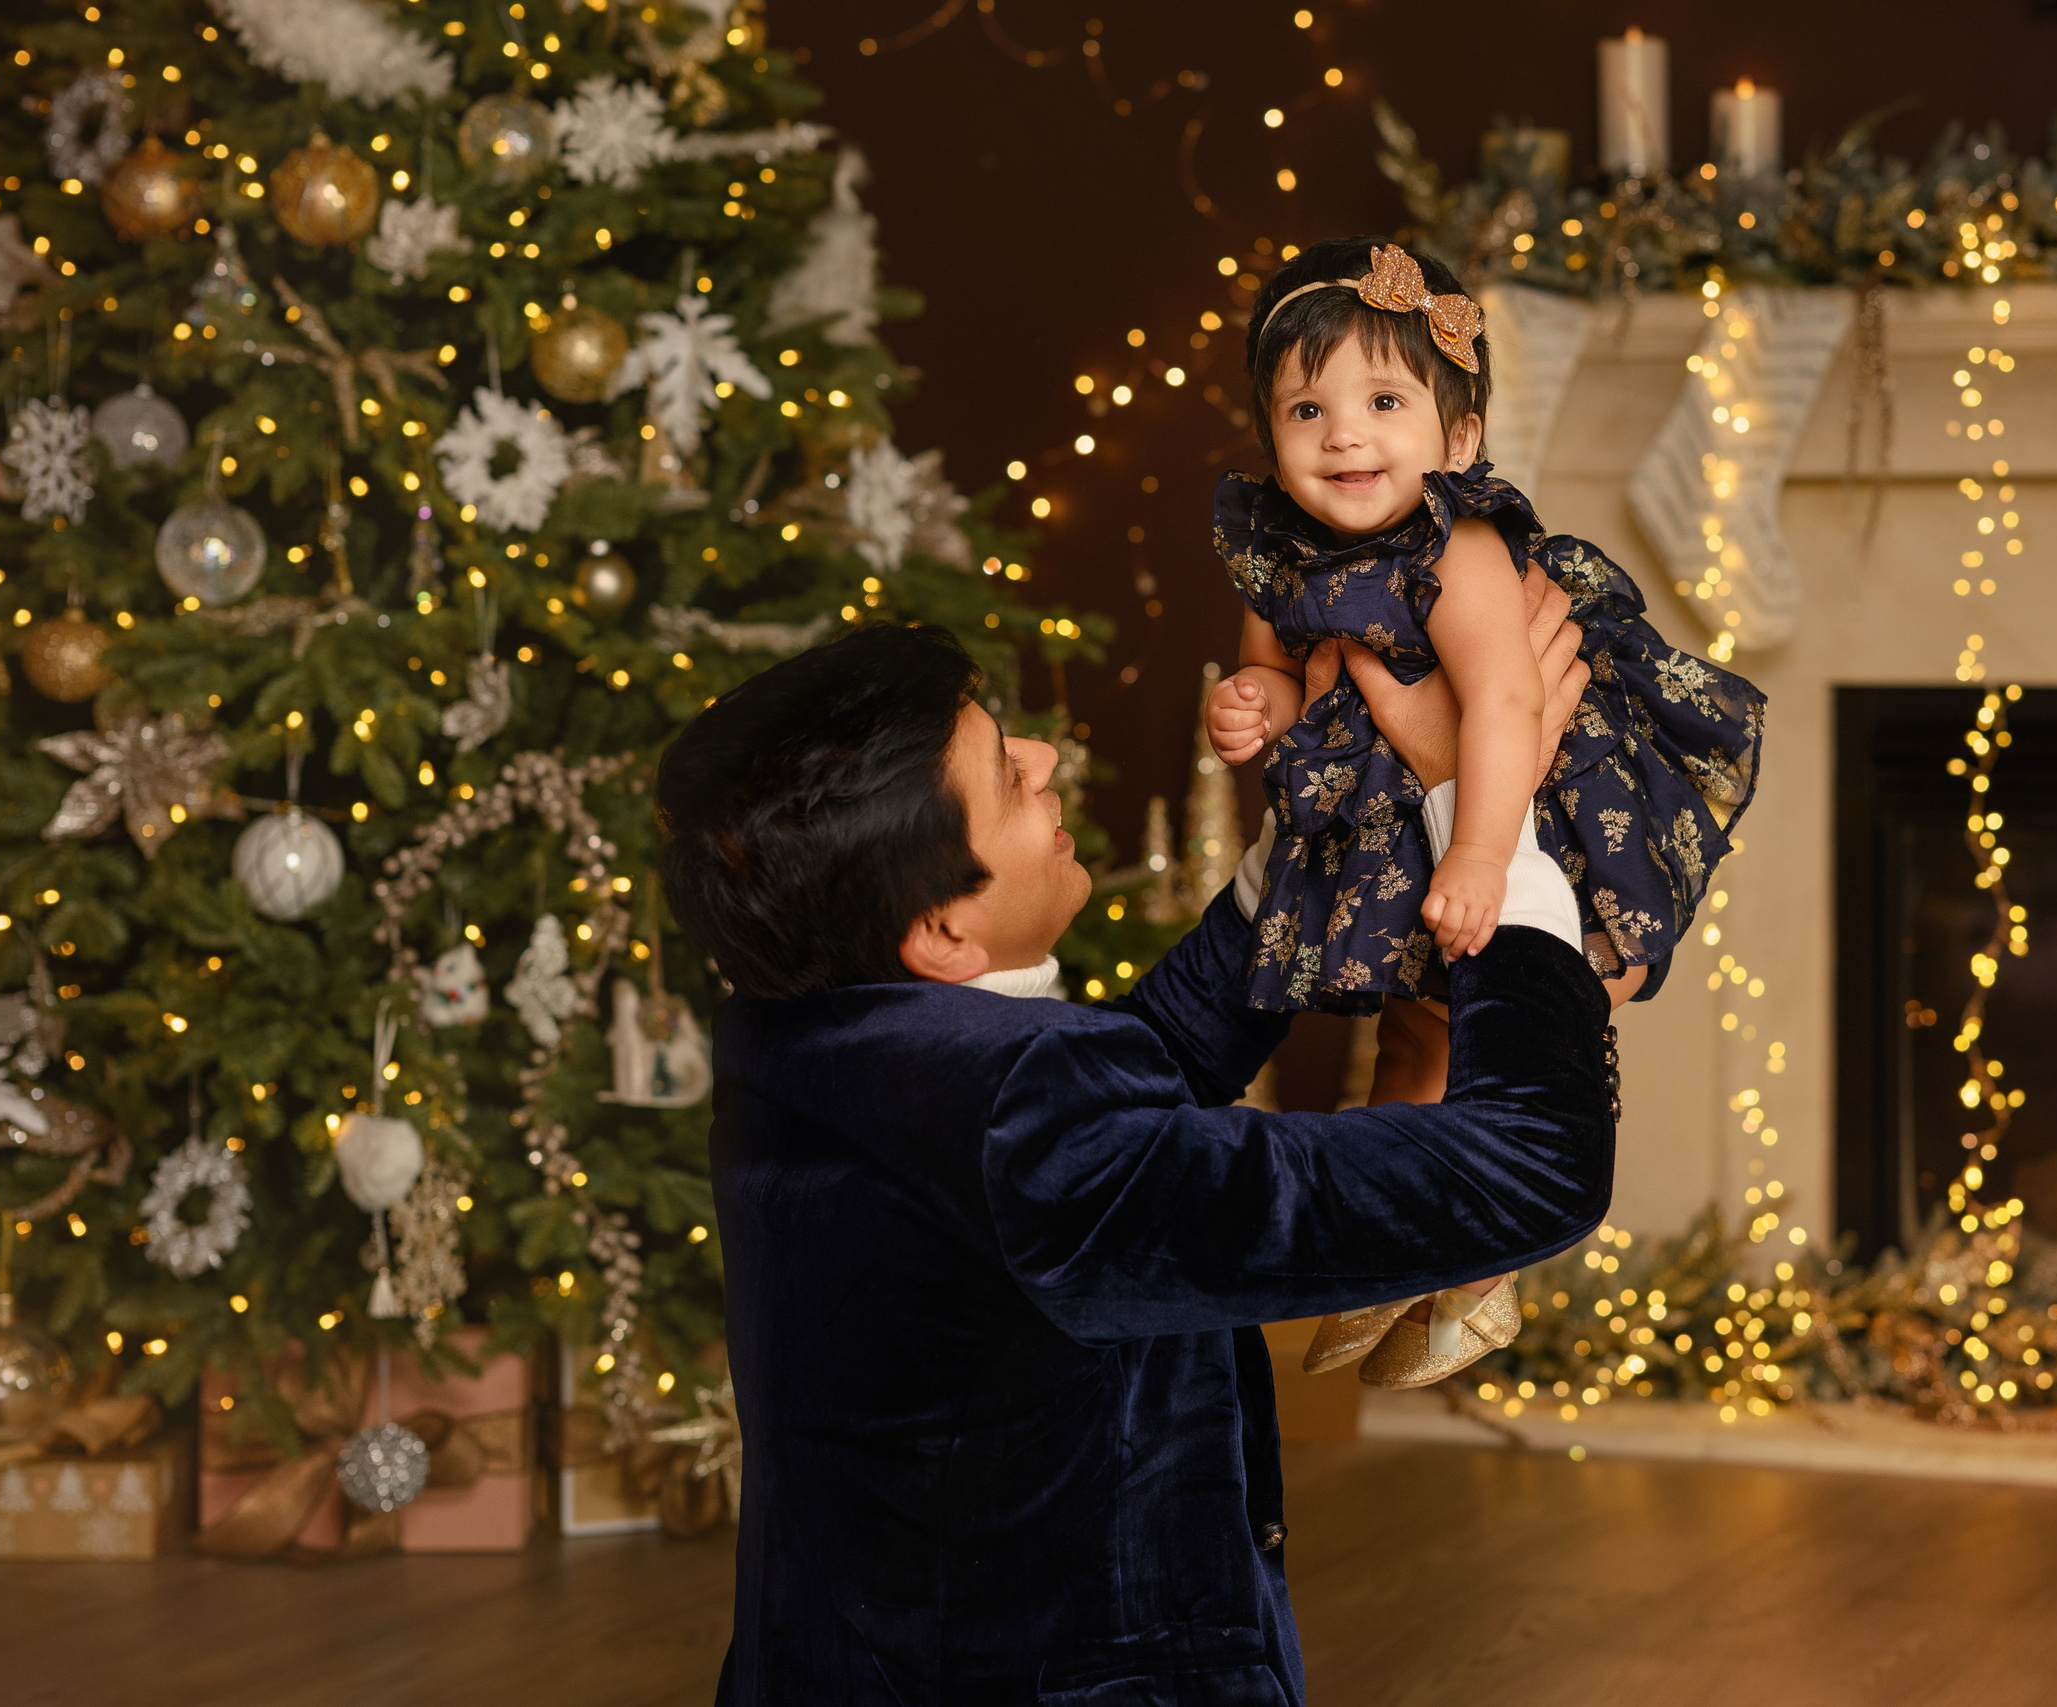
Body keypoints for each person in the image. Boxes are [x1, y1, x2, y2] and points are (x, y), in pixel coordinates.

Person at [657, 607, 1610, 1707]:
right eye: (1007, 781)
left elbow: (1121, 1099)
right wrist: (1492, 823)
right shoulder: (1022, 1121)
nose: (1045, 758)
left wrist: (1298, 844)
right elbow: (1531, 1163)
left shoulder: (809, 1038)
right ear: (943, 934)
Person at [1202, 235, 1768, 1387]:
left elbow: (1510, 700)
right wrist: (1250, 703)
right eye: (1306, 409)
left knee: (1477, 1038)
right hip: (1384, 831)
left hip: (1517, 809)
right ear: (1269, 433)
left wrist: (1478, 849)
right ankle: (1387, 1252)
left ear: (1458, 439)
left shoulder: (1453, 547)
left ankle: (1476, 1268)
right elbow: (1266, 664)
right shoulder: (1274, 549)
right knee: (1405, 1038)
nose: (1344, 433)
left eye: (1382, 400)